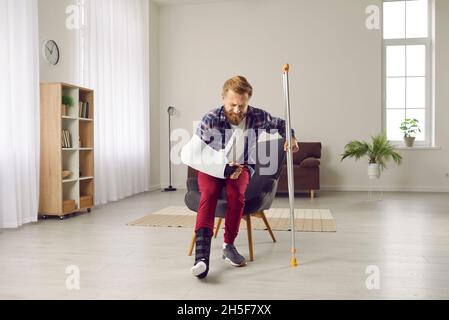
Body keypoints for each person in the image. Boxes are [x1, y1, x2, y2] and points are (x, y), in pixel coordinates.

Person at [181, 75, 299, 279]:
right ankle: (202, 257)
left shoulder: (258, 117)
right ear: (223, 98)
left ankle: (229, 246)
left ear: (248, 101)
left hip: (242, 166)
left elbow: (282, 125)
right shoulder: (211, 119)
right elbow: (192, 152)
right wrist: (222, 166)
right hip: (212, 167)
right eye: (232, 104)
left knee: (236, 194)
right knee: (208, 193)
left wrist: (291, 138)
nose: (237, 110)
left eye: (241, 106)